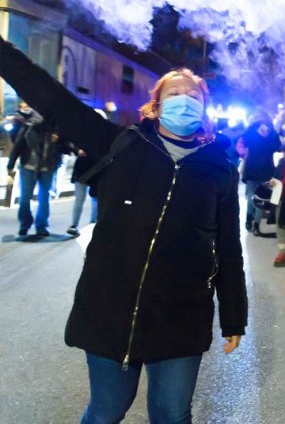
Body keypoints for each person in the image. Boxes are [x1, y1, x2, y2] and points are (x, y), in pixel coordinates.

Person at [0, 39, 247, 423]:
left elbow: (229, 248)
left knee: (171, 414)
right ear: (157, 104)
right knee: (106, 410)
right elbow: (50, 97)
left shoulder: (219, 170)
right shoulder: (122, 144)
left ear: (203, 106)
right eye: (174, 92)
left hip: (180, 315)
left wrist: (234, 317)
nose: (184, 99)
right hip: (111, 308)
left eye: (192, 94)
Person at [6, 105, 68, 237]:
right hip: (28, 166)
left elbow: (66, 146)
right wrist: (10, 165)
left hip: (47, 167)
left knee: (44, 197)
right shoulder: (28, 127)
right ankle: (25, 223)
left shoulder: (56, 129)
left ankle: (41, 226)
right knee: (24, 198)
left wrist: (58, 140)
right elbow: (18, 145)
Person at [237, 112, 281, 236]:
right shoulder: (249, 133)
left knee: (262, 198)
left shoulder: (272, 134)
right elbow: (240, 144)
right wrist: (245, 153)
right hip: (251, 170)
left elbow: (278, 147)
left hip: (267, 170)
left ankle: (256, 225)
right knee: (252, 197)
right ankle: (249, 216)